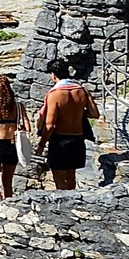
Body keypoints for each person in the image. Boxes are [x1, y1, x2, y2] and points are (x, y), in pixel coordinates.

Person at [38, 61, 101, 191]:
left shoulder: (55, 94)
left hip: (60, 140)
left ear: (54, 75)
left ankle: (63, 208)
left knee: (59, 176)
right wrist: (78, 110)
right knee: (71, 175)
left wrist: (42, 144)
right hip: (78, 138)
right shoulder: (82, 91)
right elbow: (95, 114)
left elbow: (50, 125)